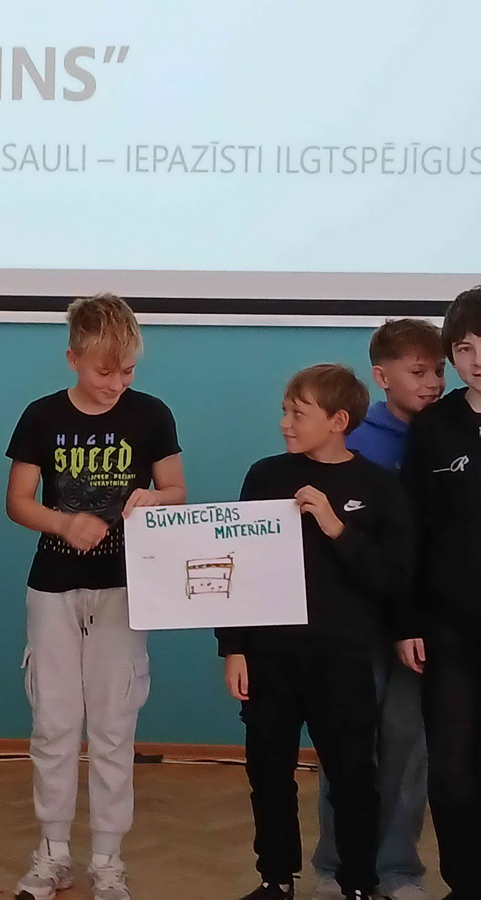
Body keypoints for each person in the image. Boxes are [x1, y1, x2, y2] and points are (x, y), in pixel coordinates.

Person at [5, 294, 185, 900]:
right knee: (54, 724)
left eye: (127, 371)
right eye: (104, 371)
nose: (116, 383)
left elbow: (176, 490)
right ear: (73, 359)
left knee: (113, 726)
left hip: (126, 588)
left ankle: (107, 857)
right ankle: (52, 852)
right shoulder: (41, 416)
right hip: (53, 587)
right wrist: (63, 523)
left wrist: (154, 498)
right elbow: (18, 502)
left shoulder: (151, 414)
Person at [219, 364, 414, 900]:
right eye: (285, 410)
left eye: (298, 413)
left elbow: (392, 576)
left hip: (342, 656)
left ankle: (358, 883)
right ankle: (275, 878)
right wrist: (233, 647)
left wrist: (335, 526)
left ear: (338, 420)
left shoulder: (377, 486)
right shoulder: (264, 475)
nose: (285, 422)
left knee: (352, 777)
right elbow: (238, 563)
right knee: (268, 773)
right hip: (270, 655)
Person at [310, 320, 444, 900]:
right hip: (356, 623)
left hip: (422, 624)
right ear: (381, 376)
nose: (432, 382)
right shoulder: (353, 442)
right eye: (418, 372)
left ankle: (398, 870)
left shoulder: (447, 435)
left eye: (438, 370)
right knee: (346, 749)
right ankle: (334, 867)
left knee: (408, 751)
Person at [401, 287, 481, 900]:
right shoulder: (433, 428)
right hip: (451, 626)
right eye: (466, 349)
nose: (478, 361)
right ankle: (466, 882)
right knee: (452, 768)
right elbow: (413, 531)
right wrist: (407, 620)